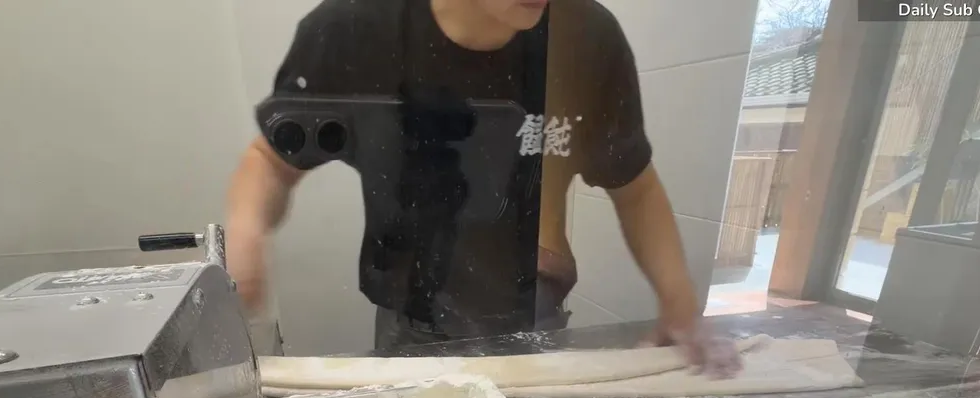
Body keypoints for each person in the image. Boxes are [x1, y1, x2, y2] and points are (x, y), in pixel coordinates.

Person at [225, 0, 741, 377]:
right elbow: (271, 161)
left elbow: (635, 187)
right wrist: (246, 234)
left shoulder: (587, 36)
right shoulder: (356, 30)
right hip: (413, 325)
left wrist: (679, 303)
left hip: (536, 316)